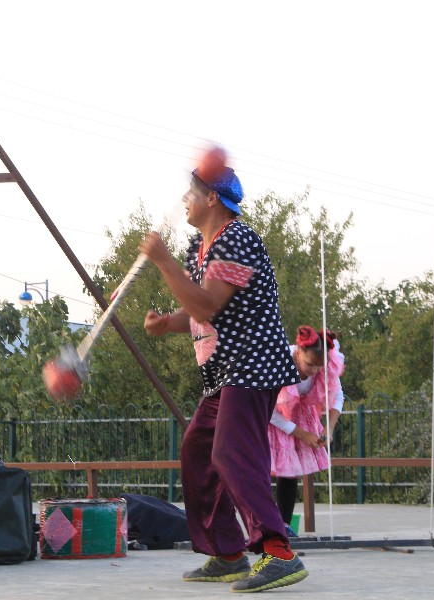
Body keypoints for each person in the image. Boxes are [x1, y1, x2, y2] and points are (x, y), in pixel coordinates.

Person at [140, 146, 308, 593]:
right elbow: (201, 314)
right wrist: (167, 323)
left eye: (192, 193)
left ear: (212, 199)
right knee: (198, 454)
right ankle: (227, 553)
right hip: (224, 372)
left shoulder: (238, 238)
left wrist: (161, 260)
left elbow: (205, 302)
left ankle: (278, 552)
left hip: (253, 365)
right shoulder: (201, 246)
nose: (185, 202)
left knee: (232, 454)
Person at [269, 326, 345, 535]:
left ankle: (283, 526)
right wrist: (302, 434)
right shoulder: (280, 363)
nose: (313, 371)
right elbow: (269, 411)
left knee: (289, 472)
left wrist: (327, 430)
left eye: (318, 367)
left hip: (297, 414)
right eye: (309, 364)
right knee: (264, 469)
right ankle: (263, 524)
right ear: (298, 353)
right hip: (272, 416)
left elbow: (337, 397)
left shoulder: (325, 365)